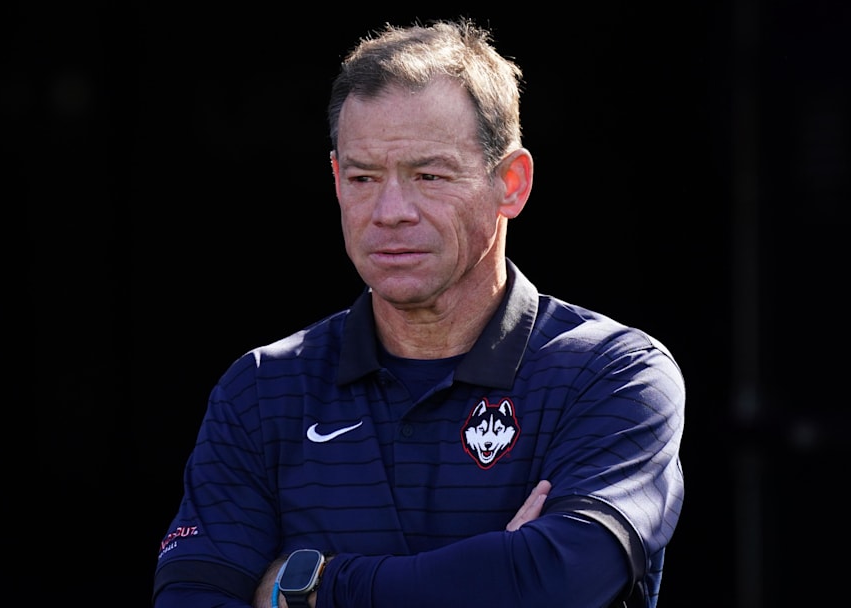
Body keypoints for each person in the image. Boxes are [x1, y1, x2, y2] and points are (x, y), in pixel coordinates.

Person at [152, 17, 685, 608]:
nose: (390, 211)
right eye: (364, 177)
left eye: (428, 175)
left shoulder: (612, 374)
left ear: (511, 183)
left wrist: (308, 586)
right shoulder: (261, 390)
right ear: (336, 181)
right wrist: (495, 574)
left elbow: (557, 582)